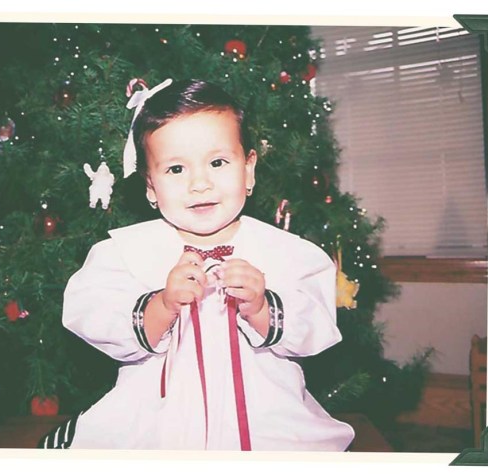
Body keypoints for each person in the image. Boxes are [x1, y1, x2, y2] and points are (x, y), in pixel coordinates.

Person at [45, 79, 355, 451]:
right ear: (150, 186)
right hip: (158, 421)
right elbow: (93, 315)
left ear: (249, 170)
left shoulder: (286, 252)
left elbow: (316, 323)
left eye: (218, 163)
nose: (200, 183)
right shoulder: (126, 252)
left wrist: (261, 308)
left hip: (265, 418)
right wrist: (160, 306)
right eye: (176, 169)